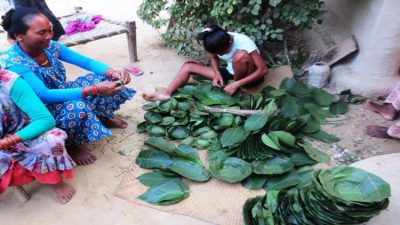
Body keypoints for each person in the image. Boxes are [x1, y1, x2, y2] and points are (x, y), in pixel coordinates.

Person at [0, 7, 136, 165]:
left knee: (105, 79)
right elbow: (45, 95)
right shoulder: (14, 62)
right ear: (18, 36)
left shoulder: (50, 46)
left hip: (60, 92)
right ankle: (70, 145)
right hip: (41, 110)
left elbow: (86, 62)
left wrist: (112, 73)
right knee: (76, 107)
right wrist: (95, 89)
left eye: (50, 30)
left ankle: (99, 118)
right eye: (41, 32)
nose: (49, 36)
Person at [0, 69, 75, 204]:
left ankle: (55, 182)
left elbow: (45, 119)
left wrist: (8, 141)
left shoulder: (9, 81)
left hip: (23, 131)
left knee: (52, 141)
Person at [143, 24, 269, 101]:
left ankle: (237, 86)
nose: (221, 55)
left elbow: (263, 70)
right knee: (188, 66)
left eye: (223, 52)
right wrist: (217, 73)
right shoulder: (216, 39)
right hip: (232, 73)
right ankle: (166, 94)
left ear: (230, 42)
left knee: (240, 56)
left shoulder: (244, 42)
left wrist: (236, 84)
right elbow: (213, 58)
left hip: (249, 76)